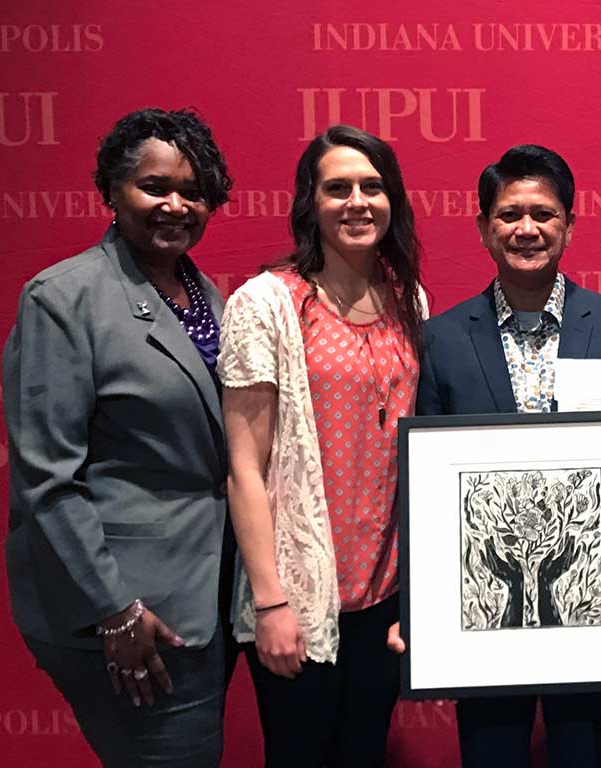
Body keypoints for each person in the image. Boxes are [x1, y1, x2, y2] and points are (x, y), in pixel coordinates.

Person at [412, 144, 601, 767]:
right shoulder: (443, 340)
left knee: (585, 755)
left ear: (568, 224)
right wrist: (419, 605)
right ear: (483, 228)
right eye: (508, 215)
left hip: (594, 596)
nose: (526, 229)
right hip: (482, 602)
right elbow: (426, 491)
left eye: (543, 213)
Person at [2, 107, 235, 767]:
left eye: (193, 191)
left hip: (205, 592)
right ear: (111, 190)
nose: (175, 205)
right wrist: (114, 609)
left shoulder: (203, 296)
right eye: (155, 186)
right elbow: (47, 477)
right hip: (134, 612)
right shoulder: (65, 298)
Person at [218, 124, 426, 767]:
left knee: (363, 754)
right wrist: (271, 601)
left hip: (382, 599)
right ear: (311, 203)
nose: (357, 202)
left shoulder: (408, 300)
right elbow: (244, 470)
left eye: (373, 186)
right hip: (298, 598)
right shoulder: (268, 303)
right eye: (338, 188)